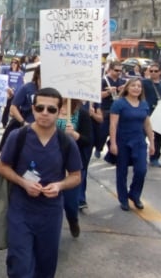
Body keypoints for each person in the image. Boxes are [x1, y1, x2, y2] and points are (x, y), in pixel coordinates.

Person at [0, 87, 82, 278]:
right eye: (40, 108)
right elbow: (3, 167)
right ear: (33, 109)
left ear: (59, 112)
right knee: (19, 265)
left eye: (51, 109)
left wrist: (59, 185)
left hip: (50, 214)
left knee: (45, 266)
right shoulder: (18, 136)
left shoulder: (65, 141)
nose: (45, 113)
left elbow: (76, 176)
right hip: (21, 211)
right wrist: (22, 182)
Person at [109, 77, 155, 211]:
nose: (136, 88)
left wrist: (152, 142)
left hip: (139, 142)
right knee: (122, 172)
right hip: (122, 141)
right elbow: (113, 124)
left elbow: (147, 124)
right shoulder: (119, 103)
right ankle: (123, 199)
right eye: (133, 85)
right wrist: (113, 143)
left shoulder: (144, 104)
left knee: (141, 170)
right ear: (127, 88)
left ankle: (134, 195)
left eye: (139, 86)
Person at [56, 98, 92, 237]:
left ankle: (73, 220)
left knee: (71, 204)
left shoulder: (81, 113)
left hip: (72, 167)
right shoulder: (51, 108)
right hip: (51, 163)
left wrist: (75, 135)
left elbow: (88, 140)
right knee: (52, 204)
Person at [142, 62, 161, 167]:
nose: (153, 73)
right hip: (146, 114)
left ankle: (154, 158)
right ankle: (141, 157)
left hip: (160, 115)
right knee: (142, 136)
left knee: (158, 138)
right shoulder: (144, 82)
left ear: (160, 72)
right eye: (151, 71)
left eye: (155, 71)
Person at [96, 61, 126, 158]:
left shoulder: (122, 81)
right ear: (110, 70)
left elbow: (125, 97)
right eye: (116, 70)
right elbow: (96, 96)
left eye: (120, 71)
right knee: (103, 133)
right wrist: (108, 92)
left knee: (117, 133)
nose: (118, 72)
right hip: (106, 109)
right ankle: (98, 148)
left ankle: (111, 153)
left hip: (118, 110)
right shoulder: (103, 81)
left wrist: (123, 91)